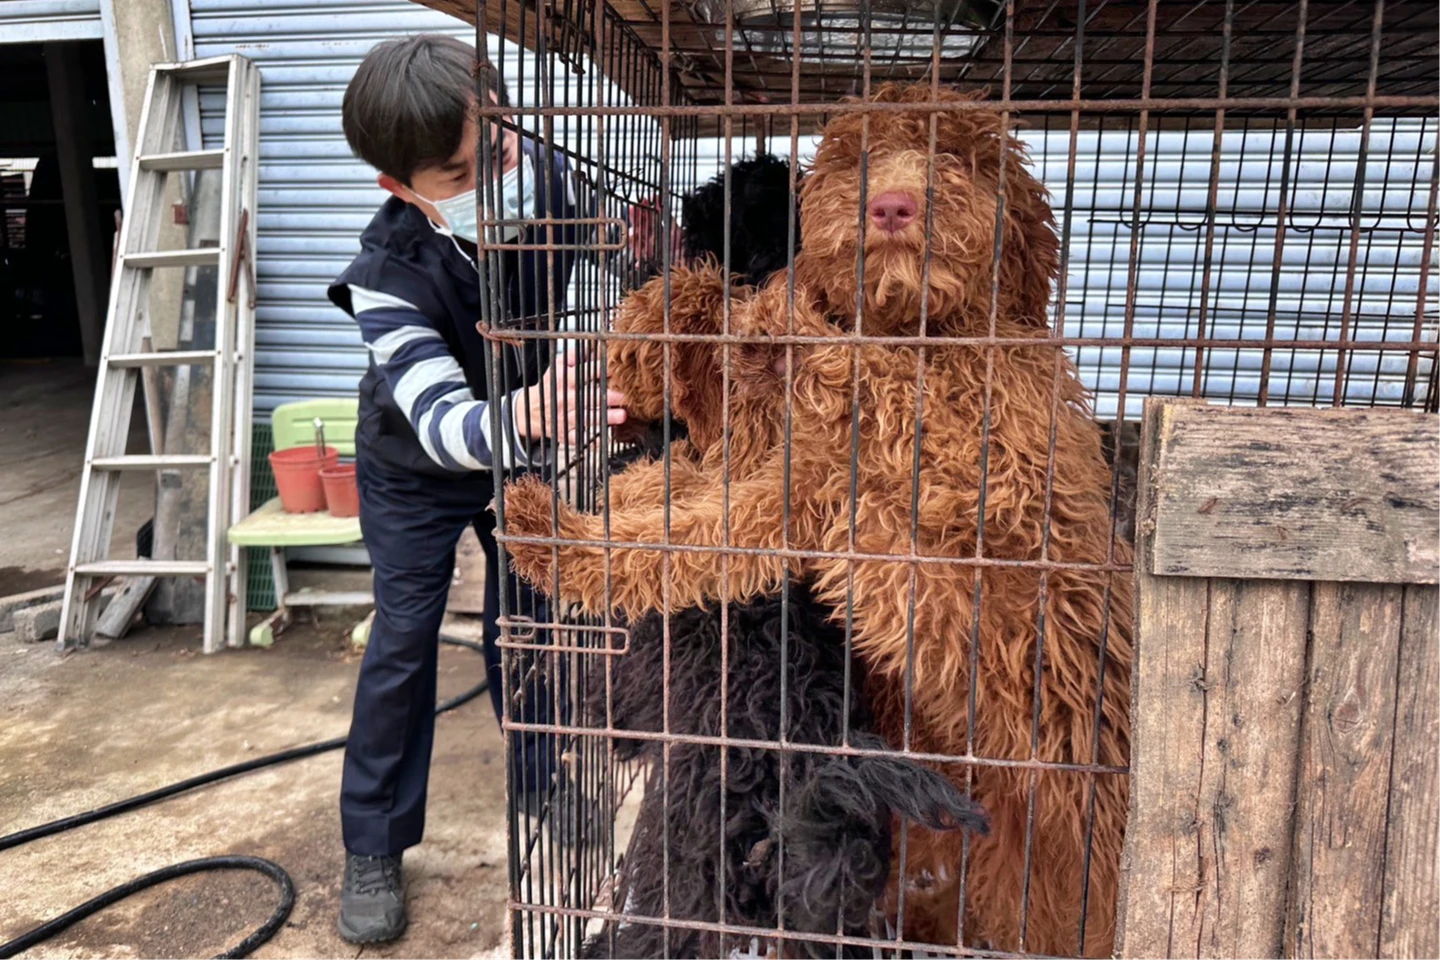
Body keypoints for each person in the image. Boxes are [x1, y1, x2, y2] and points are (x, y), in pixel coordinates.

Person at [327, 34, 627, 944]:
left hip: (523, 436)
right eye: (460, 173)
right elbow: (447, 422)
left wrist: (629, 242)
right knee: (405, 638)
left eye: (496, 144)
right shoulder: (388, 278)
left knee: (529, 618)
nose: (497, 173)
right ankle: (373, 841)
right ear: (403, 189)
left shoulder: (543, 171)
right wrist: (530, 412)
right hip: (416, 466)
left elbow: (606, 245)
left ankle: (540, 777)